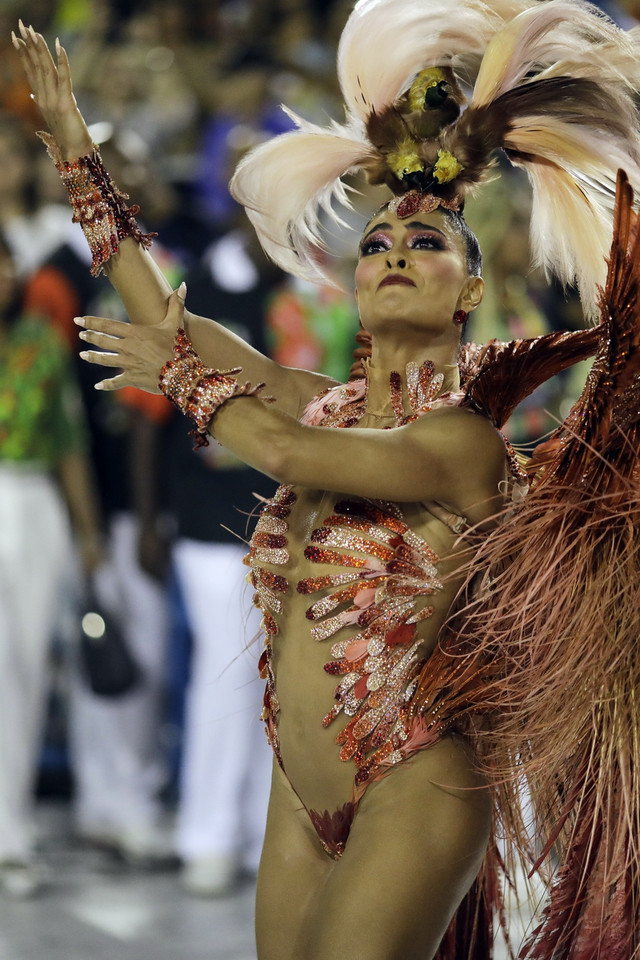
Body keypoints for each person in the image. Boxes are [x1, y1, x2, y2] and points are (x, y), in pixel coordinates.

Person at [13, 2, 640, 957]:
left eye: (426, 245)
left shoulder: (462, 444)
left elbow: (283, 453)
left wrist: (183, 376)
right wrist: (73, 150)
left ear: (471, 291)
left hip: (412, 782)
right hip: (299, 790)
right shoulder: (314, 400)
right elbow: (171, 322)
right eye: (378, 244)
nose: (394, 253)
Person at [0, 230, 102, 896]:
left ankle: (11, 831)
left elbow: (69, 436)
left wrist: (88, 529)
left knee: (25, 670)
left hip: (32, 502)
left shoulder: (39, 340)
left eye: (4, 263)